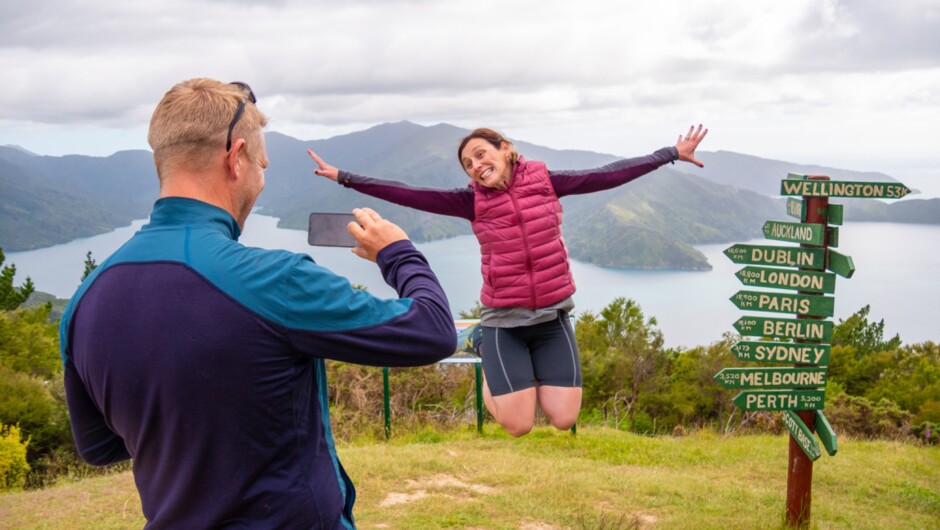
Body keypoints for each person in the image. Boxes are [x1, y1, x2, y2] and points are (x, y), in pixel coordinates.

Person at [60, 78, 456, 529]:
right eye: (261, 166)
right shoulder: (273, 281)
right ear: (236, 159)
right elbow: (432, 330)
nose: (261, 180)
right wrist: (397, 251)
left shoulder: (85, 301)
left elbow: (97, 446)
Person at [307, 125, 708, 437]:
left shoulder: (548, 181)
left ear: (505, 149)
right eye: (468, 164)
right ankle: (486, 349)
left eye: (481, 154)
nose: (476, 165)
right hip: (503, 321)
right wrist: (345, 176)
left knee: (564, 418)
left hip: (552, 318)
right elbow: (406, 192)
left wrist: (670, 153)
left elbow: (609, 174)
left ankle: (517, 376)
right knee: (518, 426)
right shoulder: (470, 202)